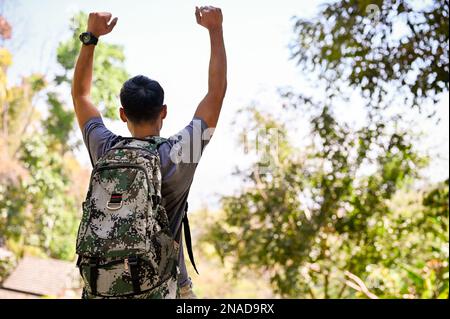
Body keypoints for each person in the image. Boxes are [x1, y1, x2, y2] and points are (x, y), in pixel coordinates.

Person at [72, 6, 227, 299]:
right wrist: (215, 30)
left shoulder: (105, 148)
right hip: (160, 287)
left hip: (103, 287)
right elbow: (215, 94)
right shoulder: (179, 153)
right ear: (164, 112)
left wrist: (90, 37)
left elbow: (81, 95)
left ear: (122, 114)